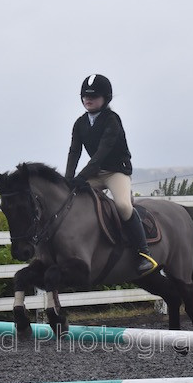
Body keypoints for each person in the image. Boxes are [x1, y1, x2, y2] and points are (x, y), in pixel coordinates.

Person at [64, 73, 158, 276]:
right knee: (71, 200)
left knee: (123, 206)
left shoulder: (112, 120)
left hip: (116, 172)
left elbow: (101, 154)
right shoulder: (80, 123)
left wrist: (81, 176)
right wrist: (68, 179)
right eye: (85, 96)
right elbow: (74, 152)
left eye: (94, 96)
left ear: (105, 98)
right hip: (95, 173)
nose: (88, 100)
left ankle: (143, 253)